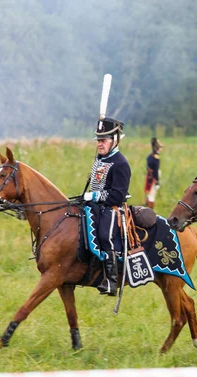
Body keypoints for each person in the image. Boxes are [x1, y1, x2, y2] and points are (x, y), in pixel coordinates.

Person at [83, 117, 131, 296]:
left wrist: (94, 195)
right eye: (98, 141)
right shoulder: (101, 158)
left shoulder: (121, 164)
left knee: (105, 235)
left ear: (115, 140)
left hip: (112, 208)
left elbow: (117, 196)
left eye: (103, 141)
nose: (99, 144)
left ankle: (111, 281)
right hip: (95, 205)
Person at [144, 137, 163, 209]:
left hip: (149, 175)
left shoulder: (150, 156)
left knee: (149, 190)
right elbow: (156, 170)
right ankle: (150, 206)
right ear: (158, 148)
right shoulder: (156, 158)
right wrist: (157, 181)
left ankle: (147, 202)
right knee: (153, 192)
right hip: (154, 176)